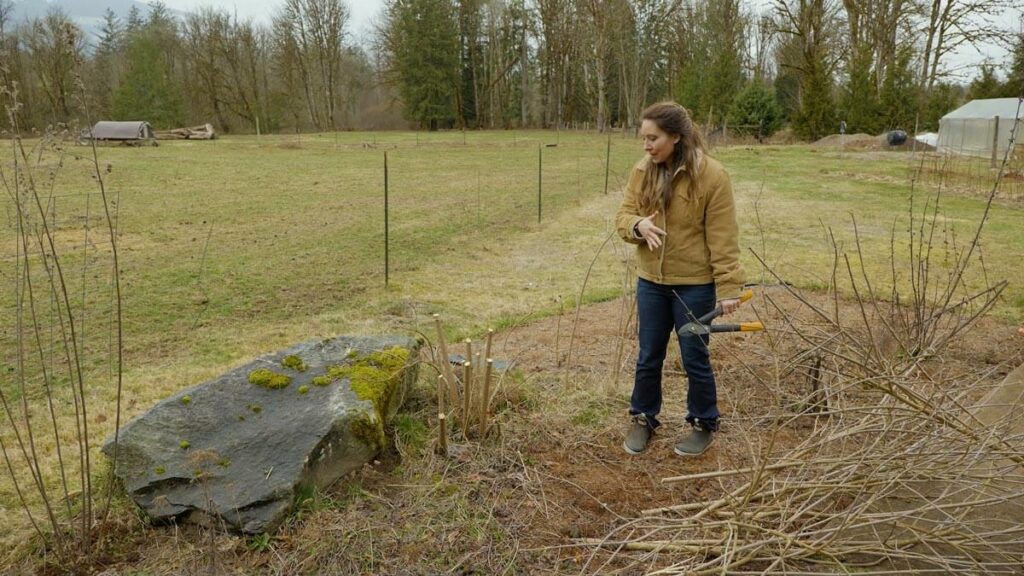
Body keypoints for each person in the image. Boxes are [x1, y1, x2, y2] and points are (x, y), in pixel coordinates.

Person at [615, 102, 744, 457]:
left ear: (676, 136)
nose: (646, 146)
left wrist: (730, 287)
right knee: (648, 355)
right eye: (644, 138)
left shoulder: (712, 177)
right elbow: (623, 216)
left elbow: (723, 236)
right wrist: (637, 225)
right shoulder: (642, 172)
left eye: (653, 138)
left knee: (694, 357)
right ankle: (643, 418)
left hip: (694, 286)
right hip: (651, 283)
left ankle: (703, 422)